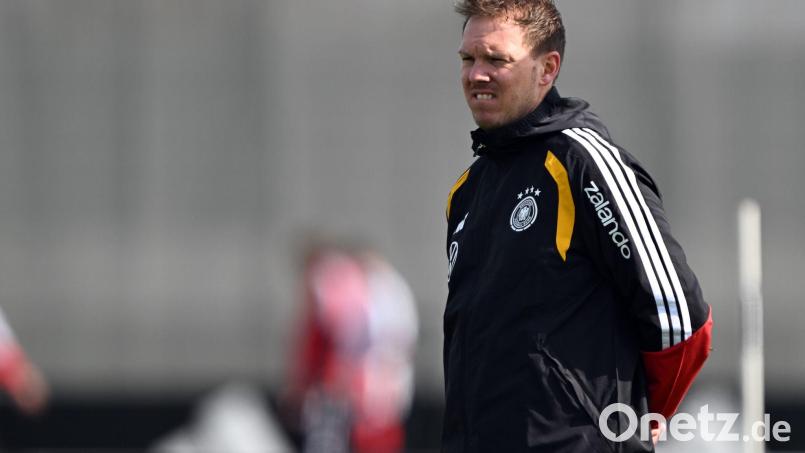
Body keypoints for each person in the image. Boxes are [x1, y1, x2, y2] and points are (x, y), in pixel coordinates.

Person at [443, 1, 713, 451]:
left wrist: (636, 417)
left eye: (497, 59)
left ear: (547, 69)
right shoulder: (467, 190)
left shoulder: (583, 162)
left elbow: (679, 318)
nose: (476, 75)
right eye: (468, 59)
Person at [282, 241, 418, 453]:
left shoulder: (340, 286)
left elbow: (327, 340)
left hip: (348, 388)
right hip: (372, 386)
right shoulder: (390, 292)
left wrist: (305, 383)